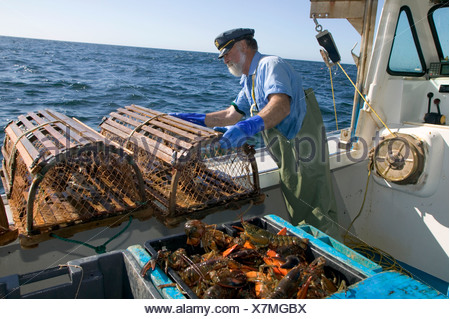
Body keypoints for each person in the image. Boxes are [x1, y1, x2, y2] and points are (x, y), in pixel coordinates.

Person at [170, 28, 339, 238]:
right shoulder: (249, 78)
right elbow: (230, 115)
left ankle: (335, 264)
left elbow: (281, 106)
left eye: (226, 54)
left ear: (242, 46)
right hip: (285, 151)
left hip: (302, 146)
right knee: (298, 205)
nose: (224, 60)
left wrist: (246, 127)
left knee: (316, 211)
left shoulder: (270, 65)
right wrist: (191, 119)